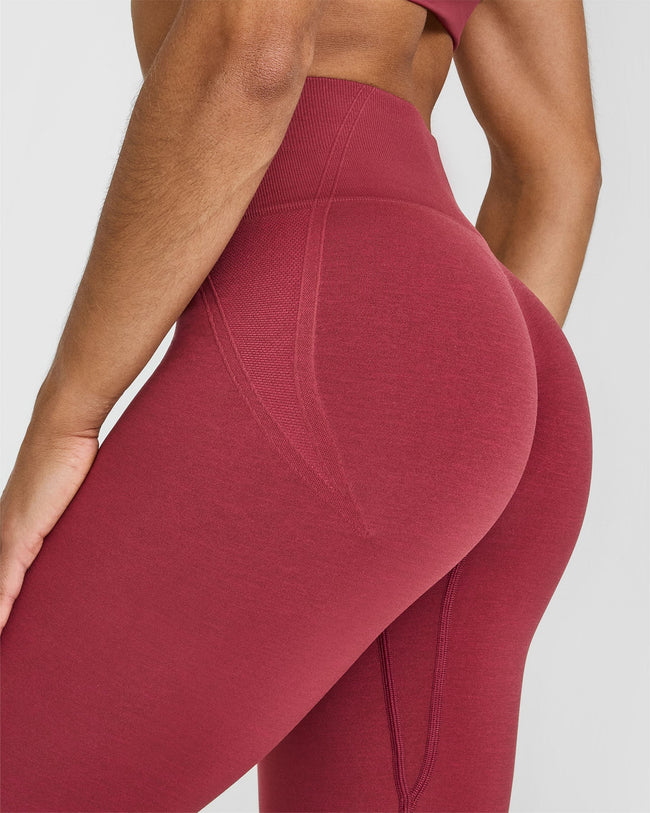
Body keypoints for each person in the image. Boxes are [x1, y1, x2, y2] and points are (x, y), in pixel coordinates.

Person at [0, 0, 600, 810]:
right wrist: (454, 416)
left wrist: (66, 418)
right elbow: (557, 170)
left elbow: (253, 43)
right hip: (489, 354)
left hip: (339, 327)